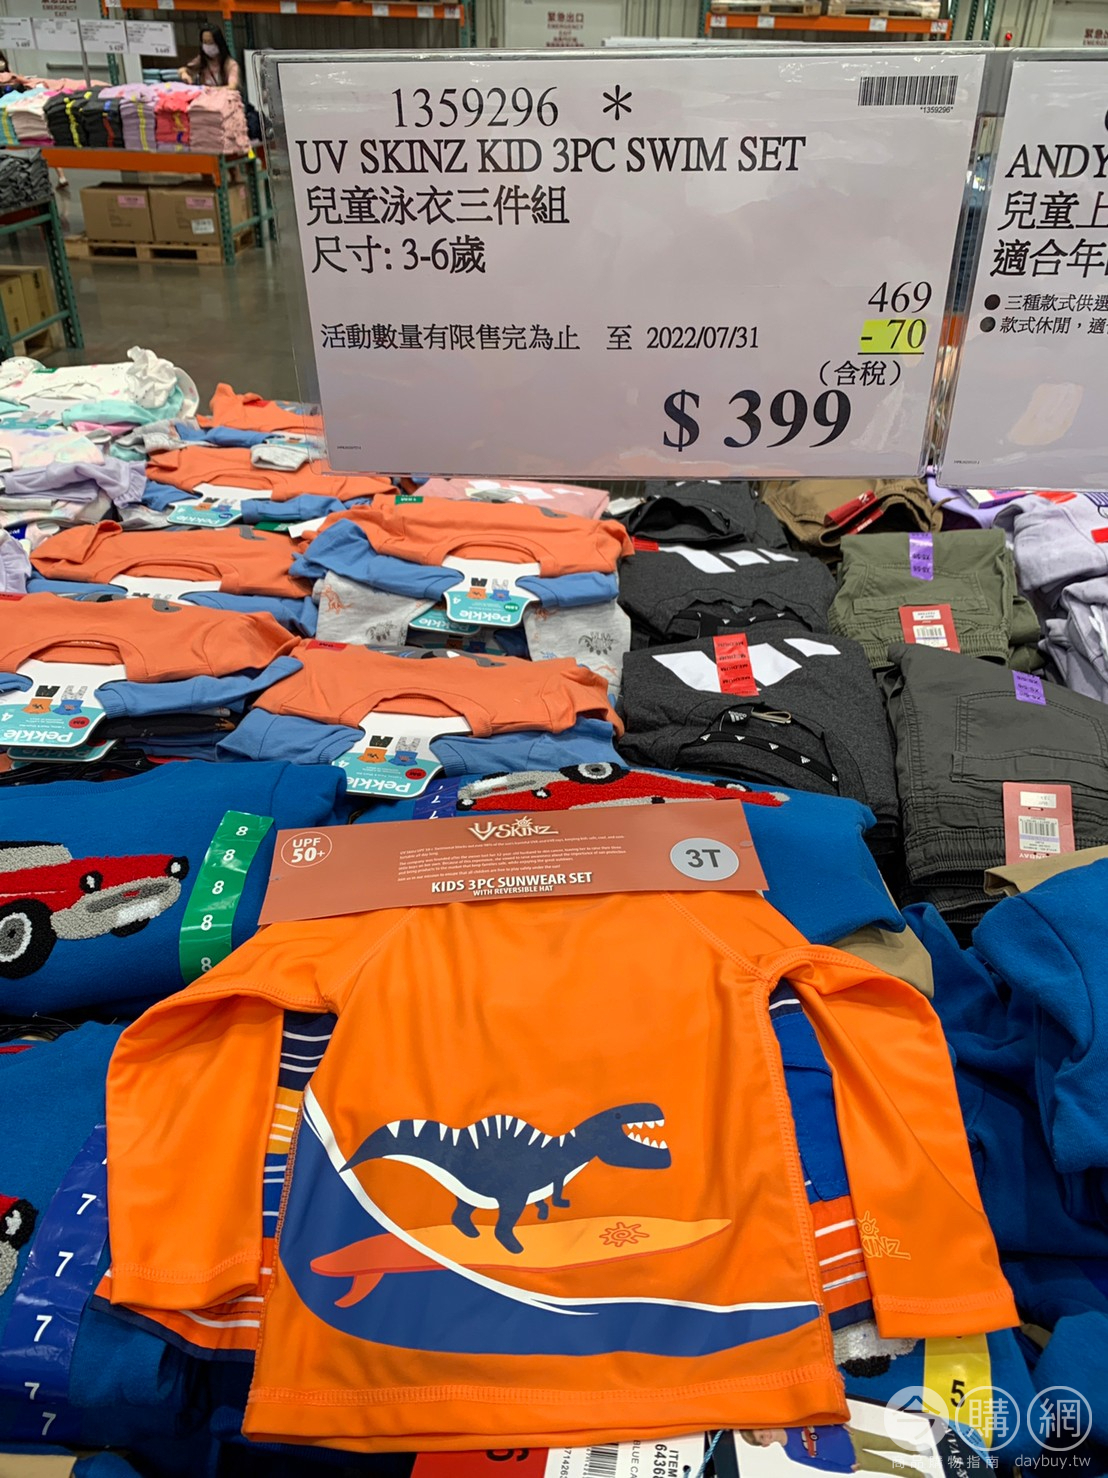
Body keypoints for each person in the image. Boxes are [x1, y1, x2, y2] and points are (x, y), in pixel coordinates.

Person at [738, 1424, 929, 1476]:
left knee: (888, 1443)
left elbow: (820, 1419)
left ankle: (916, 1450)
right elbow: (822, 1465)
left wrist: (840, 1423)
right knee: (890, 1467)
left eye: (763, 1430)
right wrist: (846, 1469)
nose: (766, 1434)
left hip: (850, 1436)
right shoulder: (793, 1454)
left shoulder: (793, 1422)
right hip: (852, 1459)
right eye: (762, 1438)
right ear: (765, 1445)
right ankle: (918, 1475)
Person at [0, 52, 68, 189]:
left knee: (33, 141)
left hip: (10, 109)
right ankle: (60, 176)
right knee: (41, 139)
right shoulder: (6, 66)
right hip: (16, 106)